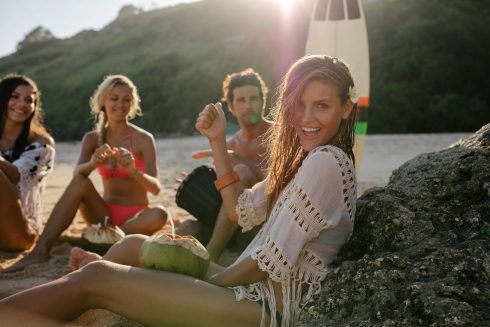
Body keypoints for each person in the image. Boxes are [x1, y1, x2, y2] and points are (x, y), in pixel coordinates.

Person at [0, 55, 358, 327]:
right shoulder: (306, 161)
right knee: (130, 245)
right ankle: (47, 297)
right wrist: (218, 141)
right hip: (248, 286)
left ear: (345, 108)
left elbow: (264, 264)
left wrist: (206, 277)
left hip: (263, 308)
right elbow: (238, 211)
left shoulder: (326, 162)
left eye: (322, 106)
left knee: (99, 278)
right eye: (299, 105)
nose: (306, 118)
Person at [3, 74, 167, 271]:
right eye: (114, 98)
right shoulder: (92, 138)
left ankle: (102, 238)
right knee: (81, 182)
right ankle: (40, 251)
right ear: (103, 101)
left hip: (136, 217)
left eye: (126, 99)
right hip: (102, 215)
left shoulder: (143, 139)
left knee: (160, 214)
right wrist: (93, 163)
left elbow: (156, 188)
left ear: (132, 104)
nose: (120, 104)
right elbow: (78, 176)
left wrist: (133, 171)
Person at [177, 68, 270, 262]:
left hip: (264, 227)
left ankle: (212, 255)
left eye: (253, 99)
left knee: (240, 171)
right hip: (232, 228)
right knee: (187, 229)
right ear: (231, 106)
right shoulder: (228, 144)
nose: (248, 106)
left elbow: (283, 185)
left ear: (263, 100)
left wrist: (238, 160)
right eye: (241, 101)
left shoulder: (279, 135)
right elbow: (224, 198)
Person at [0, 74, 55, 252]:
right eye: (14, 97)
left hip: (21, 232)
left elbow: (18, 176)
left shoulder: (42, 143)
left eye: (29, 100)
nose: (22, 104)